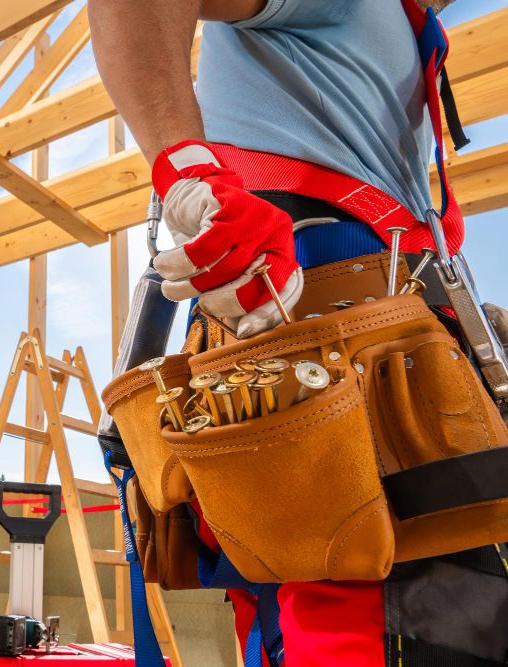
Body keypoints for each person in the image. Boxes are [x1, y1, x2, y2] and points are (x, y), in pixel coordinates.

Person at [89, 1, 508, 665]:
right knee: (377, 621)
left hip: (385, 357)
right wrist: (191, 172)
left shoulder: (397, 25)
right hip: (333, 354)